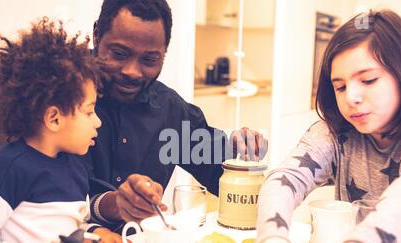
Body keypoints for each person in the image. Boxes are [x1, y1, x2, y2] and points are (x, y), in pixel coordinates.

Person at [247, 9, 401, 243]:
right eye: (340, 86)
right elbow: (285, 178)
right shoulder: (335, 131)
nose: (351, 97)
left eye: (369, 80)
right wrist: (272, 235)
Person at [83, 0, 268, 229]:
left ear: (164, 53)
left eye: (149, 59)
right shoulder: (59, 97)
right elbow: (51, 196)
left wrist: (241, 153)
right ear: (96, 36)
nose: (132, 71)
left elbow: (218, 172)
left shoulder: (170, 112)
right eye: (119, 53)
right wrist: (114, 204)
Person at [0, 18, 129, 243]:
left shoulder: (74, 167)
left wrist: (94, 234)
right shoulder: (8, 168)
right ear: (54, 118)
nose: (98, 122)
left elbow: (65, 230)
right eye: (89, 112)